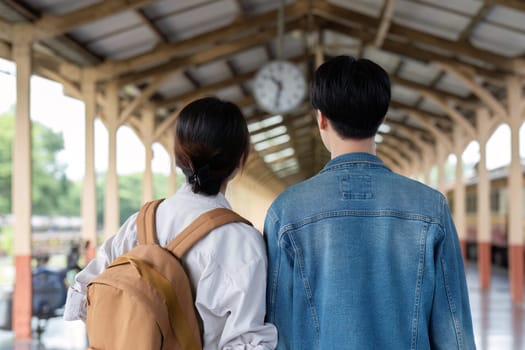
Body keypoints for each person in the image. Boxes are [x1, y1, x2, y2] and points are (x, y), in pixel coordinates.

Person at [264, 55, 476, 349]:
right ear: (383, 117)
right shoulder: (431, 208)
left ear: (321, 118)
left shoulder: (285, 211)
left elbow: (277, 327)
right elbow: (453, 328)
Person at [64, 96, 277, 349]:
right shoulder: (242, 241)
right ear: (240, 160)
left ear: (179, 156)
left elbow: (82, 296)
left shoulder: (139, 223)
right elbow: (247, 341)